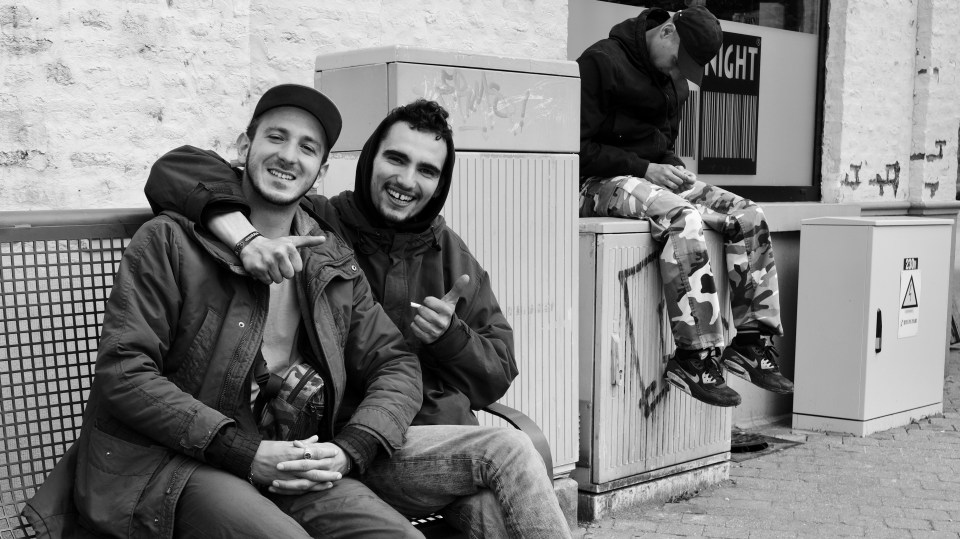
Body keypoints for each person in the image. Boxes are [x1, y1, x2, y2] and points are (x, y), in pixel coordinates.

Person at [141, 96, 569, 537]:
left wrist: (450, 338)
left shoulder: (450, 252)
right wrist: (244, 237)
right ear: (367, 161)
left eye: (427, 170)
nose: (406, 181)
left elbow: (496, 372)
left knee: (489, 507)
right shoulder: (320, 226)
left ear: (441, 183)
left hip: (438, 443)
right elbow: (177, 170)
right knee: (508, 452)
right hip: (343, 441)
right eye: (395, 159)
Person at [23, 84, 428, 538]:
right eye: (276, 137)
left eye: (307, 147)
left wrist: (352, 448)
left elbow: (396, 362)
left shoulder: (329, 259)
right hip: (172, 464)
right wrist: (242, 452)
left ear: (322, 171)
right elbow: (125, 371)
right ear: (243, 147)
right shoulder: (169, 240)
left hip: (286, 457)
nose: (289, 156)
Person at [577, 6, 794, 407]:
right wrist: (645, 168)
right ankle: (694, 357)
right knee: (683, 216)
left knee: (748, 214)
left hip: (646, 178)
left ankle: (751, 342)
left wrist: (673, 169)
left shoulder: (672, 82)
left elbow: (661, 145)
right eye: (678, 62)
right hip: (594, 184)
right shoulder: (601, 62)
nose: (679, 73)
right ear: (666, 32)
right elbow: (576, 148)